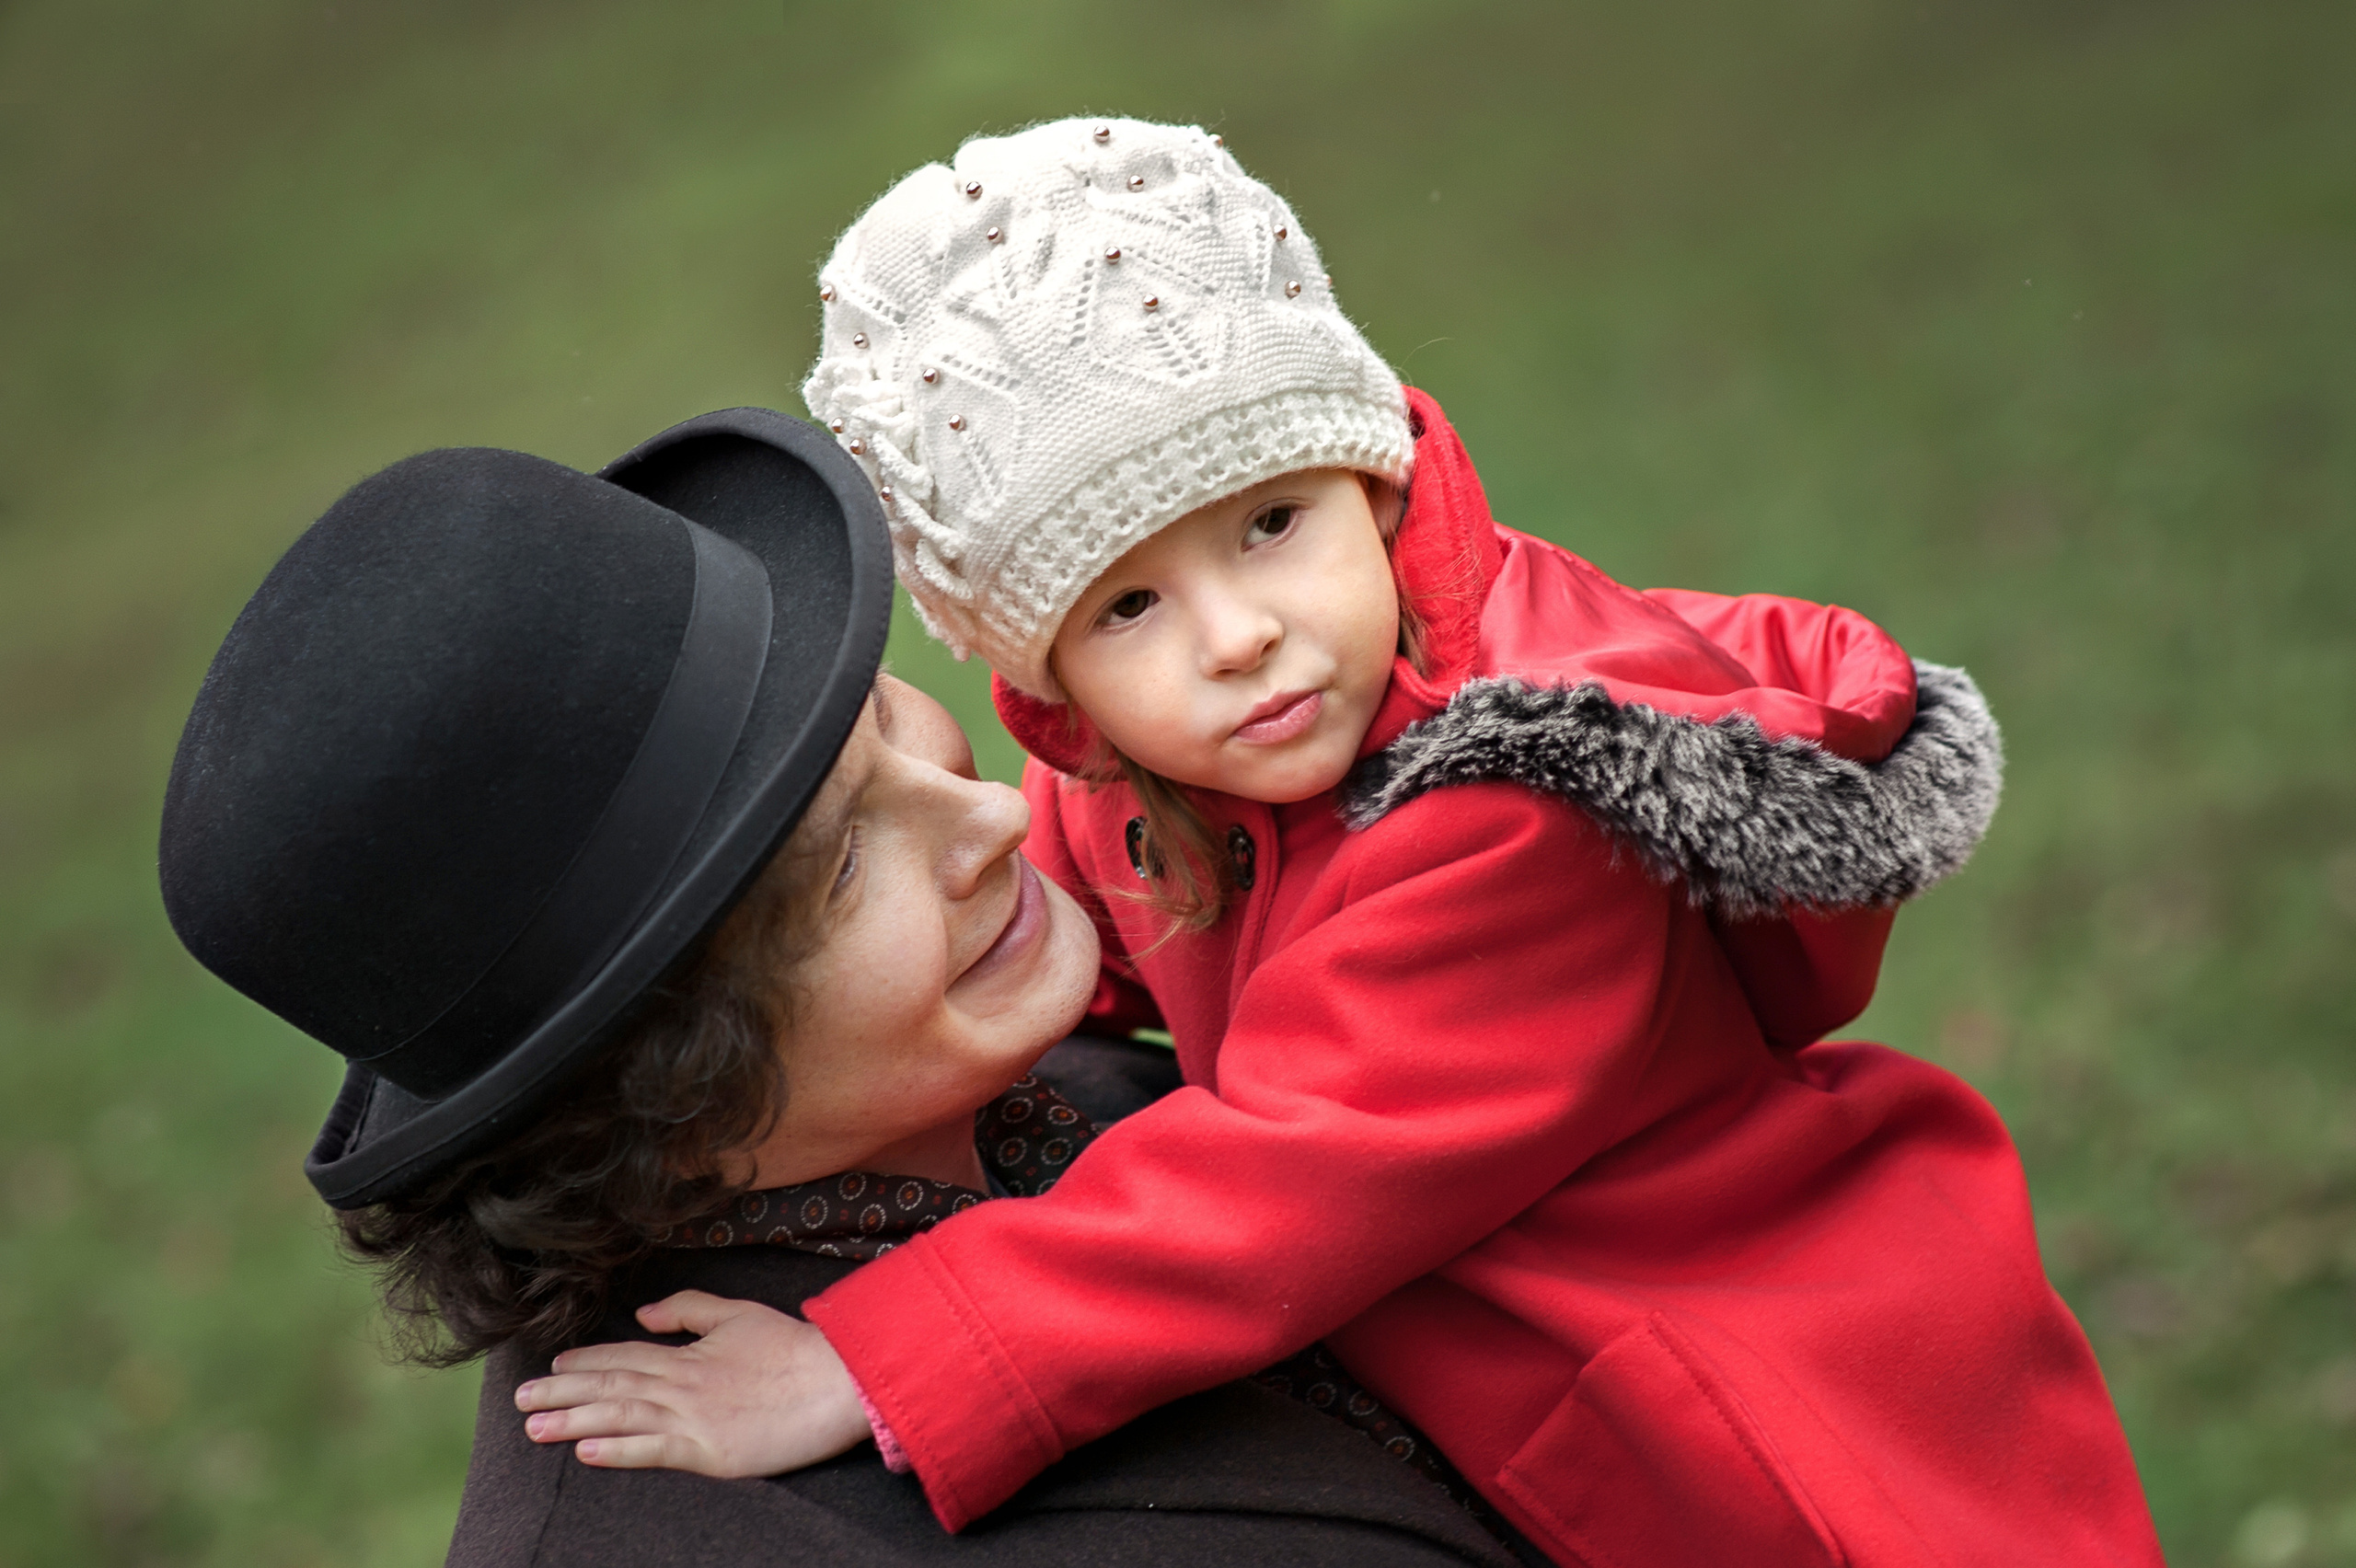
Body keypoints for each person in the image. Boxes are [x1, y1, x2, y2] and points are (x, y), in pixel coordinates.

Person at [521, 120, 2166, 1565]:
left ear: (1371, 482)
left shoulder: (1511, 808)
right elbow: (1104, 894)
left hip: (1746, 1350)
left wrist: (877, 1358)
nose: (1238, 636)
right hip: (1544, 1329)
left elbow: (1289, 1177)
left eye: (1271, 524)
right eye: (1133, 600)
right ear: (1046, 671)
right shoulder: (1153, 766)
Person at [155, 407, 1526, 1566]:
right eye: (839, 871)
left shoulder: (1044, 1073)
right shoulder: (711, 1523)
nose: (989, 823)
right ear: (657, 1097)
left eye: (875, 715)